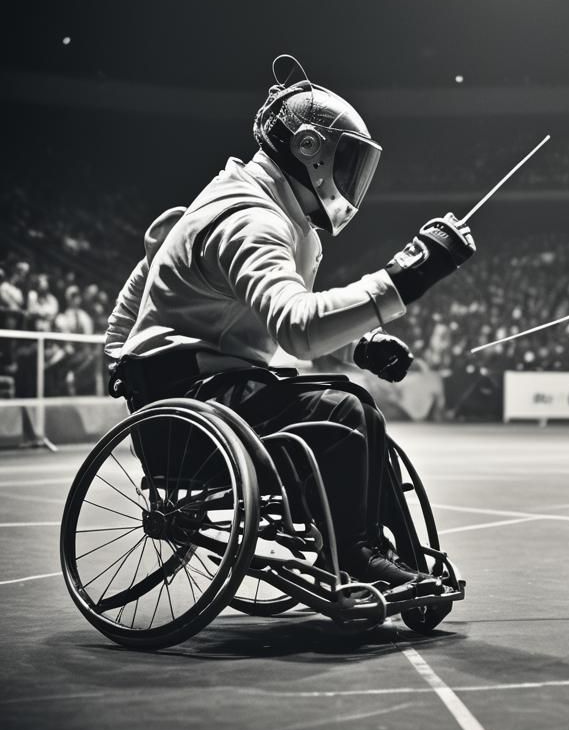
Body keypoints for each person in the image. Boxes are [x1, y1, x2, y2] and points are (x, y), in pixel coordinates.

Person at [107, 55, 475, 592]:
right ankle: (356, 554)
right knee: (342, 411)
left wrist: (360, 346)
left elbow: (271, 320)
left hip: (215, 389)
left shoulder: (275, 213)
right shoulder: (250, 219)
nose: (351, 180)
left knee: (357, 404)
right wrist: (405, 278)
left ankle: (387, 553)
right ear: (309, 148)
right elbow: (296, 329)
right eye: (347, 162)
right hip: (187, 406)